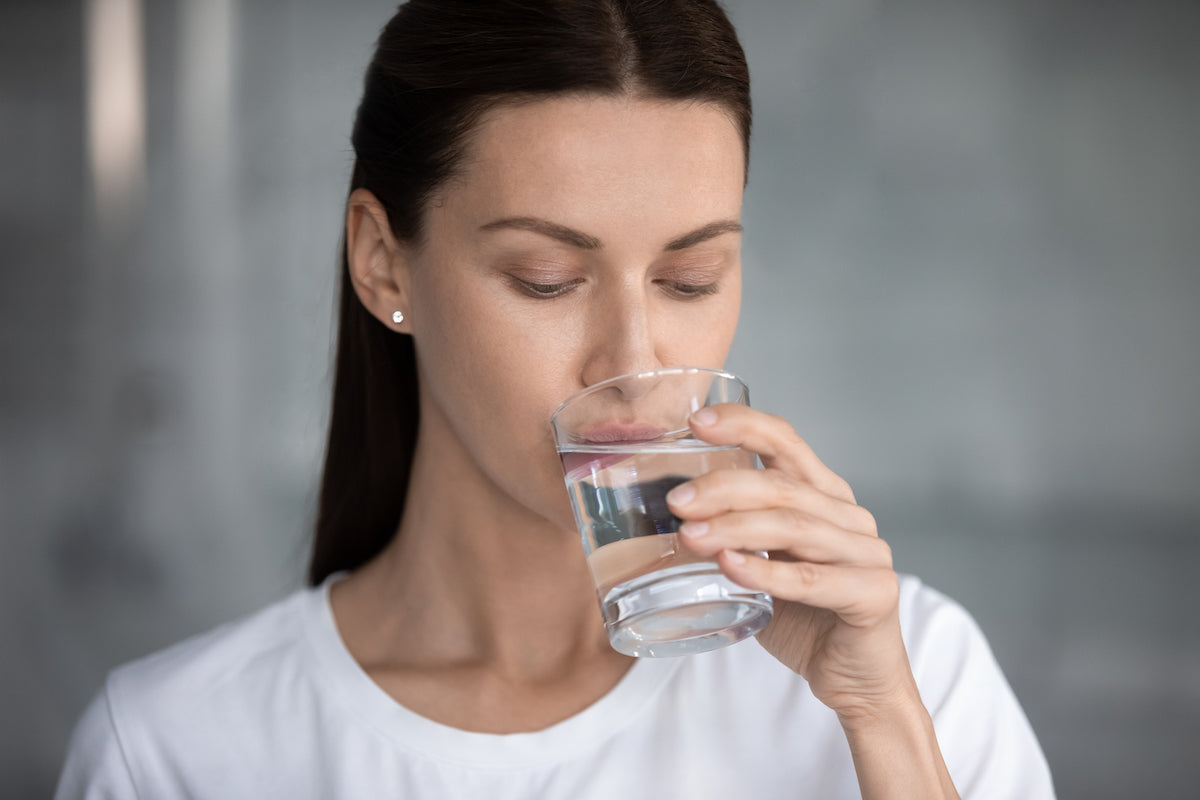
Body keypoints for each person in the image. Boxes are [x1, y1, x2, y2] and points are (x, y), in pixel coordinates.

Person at [55, 1, 1055, 798]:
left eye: (691, 280)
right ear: (382, 261)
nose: (632, 359)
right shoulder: (175, 751)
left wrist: (884, 719)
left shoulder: (908, 669)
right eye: (546, 279)